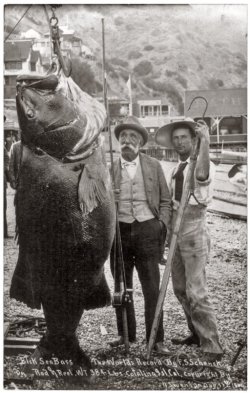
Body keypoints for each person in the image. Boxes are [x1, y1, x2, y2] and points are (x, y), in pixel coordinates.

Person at [155, 117, 223, 361]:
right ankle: (195, 332)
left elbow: (202, 175)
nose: (179, 141)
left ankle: (212, 345)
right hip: (176, 228)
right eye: (176, 138)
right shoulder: (176, 169)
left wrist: (205, 141)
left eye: (184, 137)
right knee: (180, 288)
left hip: (194, 227)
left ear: (193, 140)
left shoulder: (205, 164)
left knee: (196, 290)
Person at [109, 115, 172, 354]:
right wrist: (110, 200)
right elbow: (101, 203)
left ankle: (155, 339)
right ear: (118, 142)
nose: (127, 141)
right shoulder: (110, 168)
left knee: (151, 288)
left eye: (132, 137)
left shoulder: (154, 166)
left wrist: (160, 226)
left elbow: (166, 201)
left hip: (147, 230)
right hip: (119, 231)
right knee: (121, 287)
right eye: (123, 137)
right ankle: (126, 334)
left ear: (141, 143)